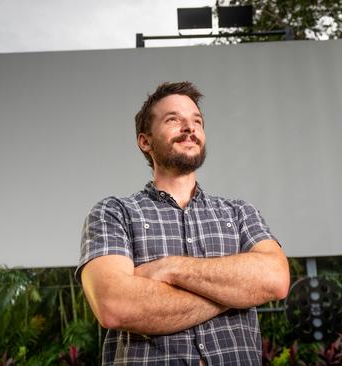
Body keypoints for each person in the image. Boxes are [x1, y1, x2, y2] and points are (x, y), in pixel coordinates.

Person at [77, 81, 290, 365]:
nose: (189, 128)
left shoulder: (239, 213)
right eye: (173, 120)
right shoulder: (113, 213)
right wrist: (236, 293)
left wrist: (169, 269)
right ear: (145, 141)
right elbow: (114, 305)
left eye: (197, 121)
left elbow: (275, 280)